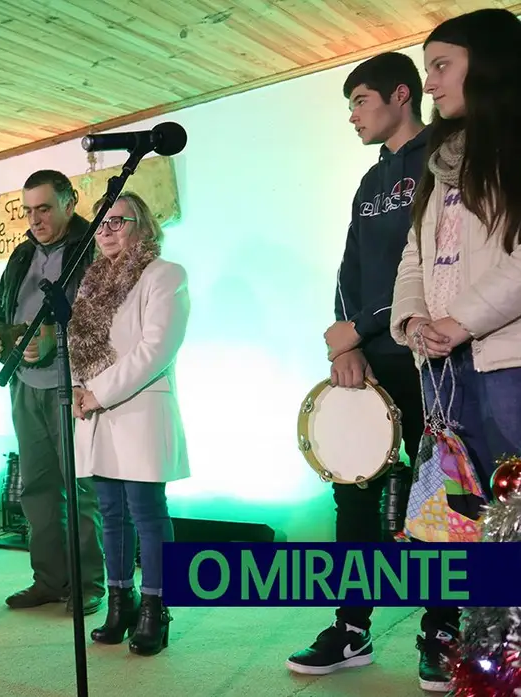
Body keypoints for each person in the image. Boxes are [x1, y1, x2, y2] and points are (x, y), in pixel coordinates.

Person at [287, 52, 459, 689]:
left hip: (435, 357)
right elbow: (349, 271)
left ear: (401, 94)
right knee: (353, 494)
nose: (353, 116)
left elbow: (432, 268)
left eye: (360, 101)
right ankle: (351, 626)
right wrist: (345, 346)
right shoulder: (370, 182)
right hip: (370, 361)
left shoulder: (445, 159)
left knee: (440, 499)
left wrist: (362, 327)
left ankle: (441, 630)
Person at [391, 14, 521, 690]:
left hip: (507, 362)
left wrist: (463, 320)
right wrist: (414, 318)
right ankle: (489, 662)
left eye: (441, 63)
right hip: (443, 368)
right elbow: (414, 256)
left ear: (488, 62)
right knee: (472, 526)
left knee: (516, 519)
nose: (430, 79)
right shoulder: (435, 163)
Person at [68, 192, 189, 657]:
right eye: (101, 223)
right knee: (111, 514)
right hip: (95, 411)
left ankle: (157, 608)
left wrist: (98, 391)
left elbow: (156, 348)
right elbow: (79, 343)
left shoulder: (165, 275)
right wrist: (80, 389)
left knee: (146, 512)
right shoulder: (89, 280)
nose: (107, 230)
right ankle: (121, 600)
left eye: (118, 220)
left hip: (137, 406)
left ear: (143, 224)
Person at [0, 169, 106, 616]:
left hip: (75, 388)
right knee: (36, 489)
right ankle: (49, 581)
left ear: (69, 202)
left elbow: (104, 318)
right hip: (25, 386)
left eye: (44, 208)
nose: (35, 219)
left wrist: (56, 336)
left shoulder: (92, 246)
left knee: (84, 490)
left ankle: (90, 584)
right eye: (28, 211)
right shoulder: (20, 255)